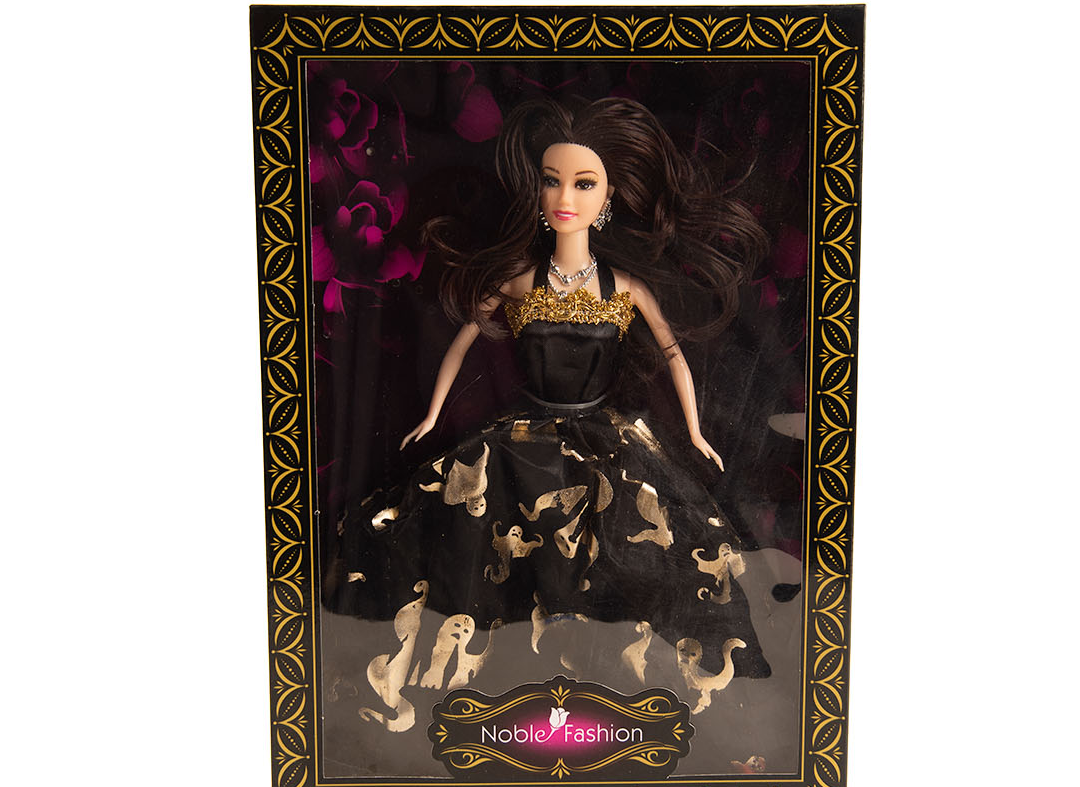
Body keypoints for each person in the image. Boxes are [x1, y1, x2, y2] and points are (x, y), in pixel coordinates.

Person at [325, 97, 772, 733]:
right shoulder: (518, 280)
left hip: (604, 438)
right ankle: (499, 684)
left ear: (608, 197)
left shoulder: (625, 288)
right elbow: (462, 343)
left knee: (626, 548)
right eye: (552, 180)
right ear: (537, 191)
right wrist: (431, 415)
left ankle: (609, 689)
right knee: (489, 550)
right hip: (523, 441)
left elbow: (673, 354)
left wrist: (695, 433)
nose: (565, 196)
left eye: (584, 183)